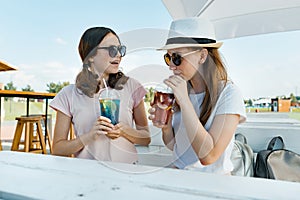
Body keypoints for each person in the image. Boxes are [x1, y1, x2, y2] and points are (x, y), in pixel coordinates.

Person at [149, 17, 246, 174]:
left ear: (202, 56)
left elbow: (208, 156)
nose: (171, 66)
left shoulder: (229, 94)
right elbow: (176, 147)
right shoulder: (181, 92)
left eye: (177, 57)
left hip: (212, 184)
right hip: (178, 176)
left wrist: (185, 102)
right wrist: (166, 127)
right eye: (168, 58)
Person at [50, 27, 150, 164]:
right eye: (112, 50)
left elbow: (146, 138)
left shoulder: (132, 87)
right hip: (86, 173)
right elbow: (57, 149)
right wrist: (90, 136)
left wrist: (125, 131)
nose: (119, 55)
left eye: (120, 50)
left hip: (127, 172)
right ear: (90, 55)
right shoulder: (68, 94)